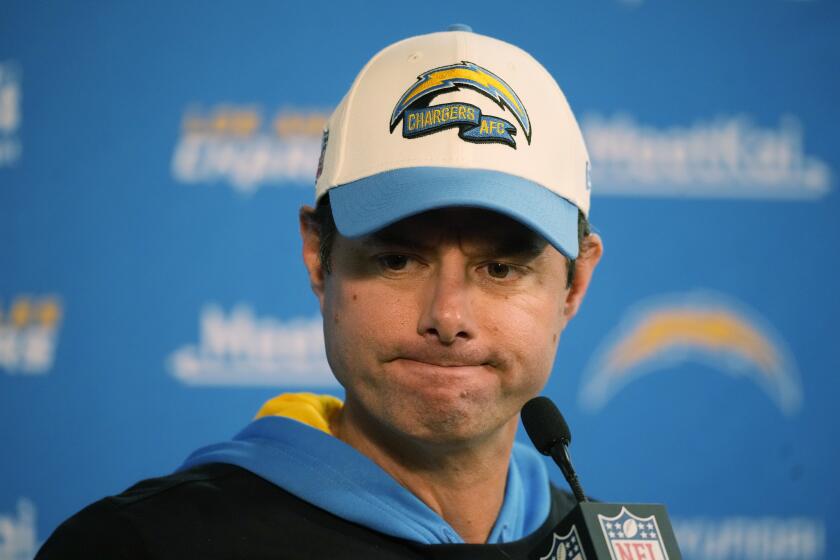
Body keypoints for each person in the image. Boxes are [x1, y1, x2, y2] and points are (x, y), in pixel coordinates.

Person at [36, 25, 603, 559]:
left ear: (574, 284)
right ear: (318, 257)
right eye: (397, 259)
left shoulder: (606, 543)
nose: (448, 315)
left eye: (500, 268)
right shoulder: (139, 546)